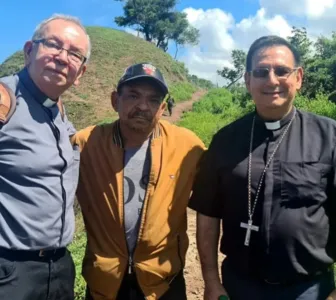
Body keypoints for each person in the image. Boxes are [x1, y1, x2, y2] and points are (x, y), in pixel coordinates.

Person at [188, 35, 336, 300]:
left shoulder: (331, 137)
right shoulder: (225, 140)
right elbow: (208, 216)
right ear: (247, 81)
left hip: (309, 289)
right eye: (261, 72)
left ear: (298, 78)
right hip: (239, 286)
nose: (271, 80)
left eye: (281, 71)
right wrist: (211, 281)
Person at [71, 62, 205, 300]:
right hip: (105, 281)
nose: (143, 106)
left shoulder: (188, 146)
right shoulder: (86, 144)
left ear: (162, 107)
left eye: (153, 100)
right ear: (115, 100)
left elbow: (216, 194)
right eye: (133, 96)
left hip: (163, 282)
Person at [0, 14, 90, 300]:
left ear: (81, 74)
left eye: (75, 53)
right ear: (29, 51)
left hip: (59, 268)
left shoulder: (58, 111)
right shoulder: (4, 100)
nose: (63, 58)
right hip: (10, 272)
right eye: (53, 45)